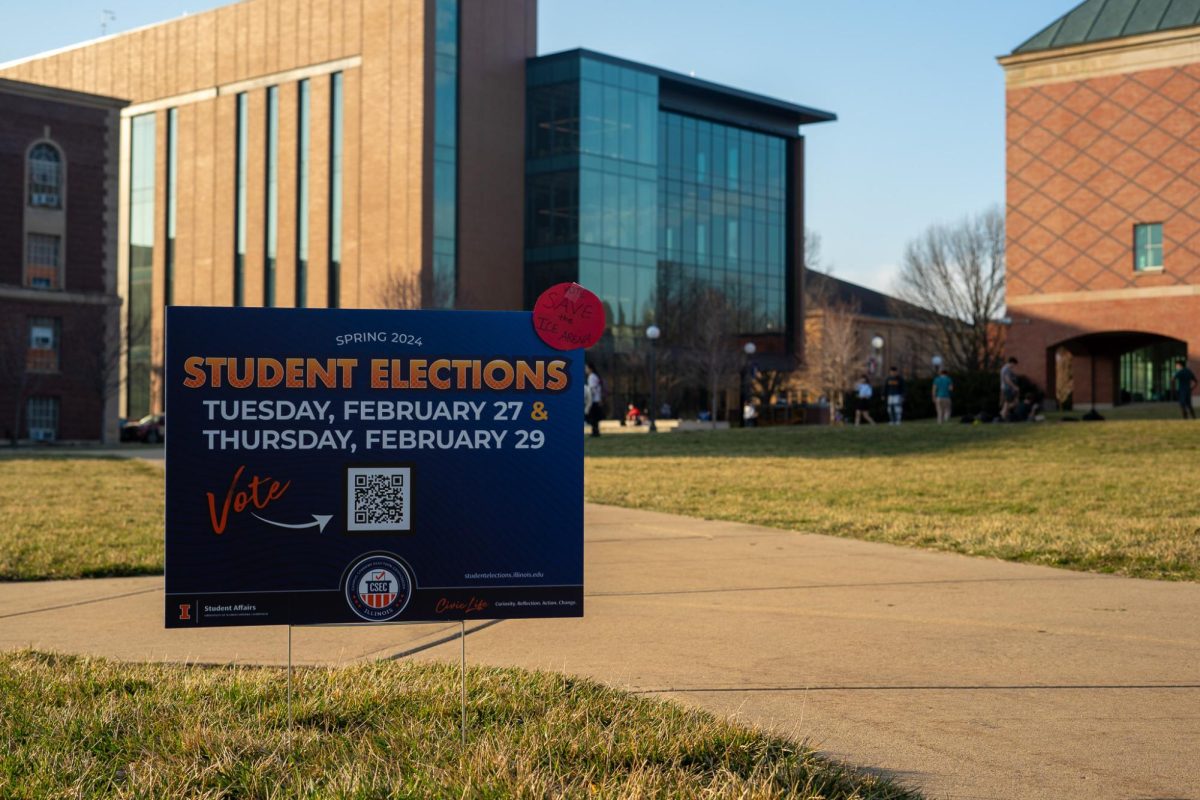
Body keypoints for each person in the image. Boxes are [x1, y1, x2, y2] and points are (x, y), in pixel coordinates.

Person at [584, 362, 604, 437]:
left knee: (593, 416)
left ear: (590, 369)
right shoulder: (595, 376)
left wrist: (588, 399)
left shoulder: (591, 377)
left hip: (593, 400)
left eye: (586, 368)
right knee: (595, 417)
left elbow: (592, 389)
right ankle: (595, 431)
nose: (585, 370)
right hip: (597, 399)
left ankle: (595, 432)